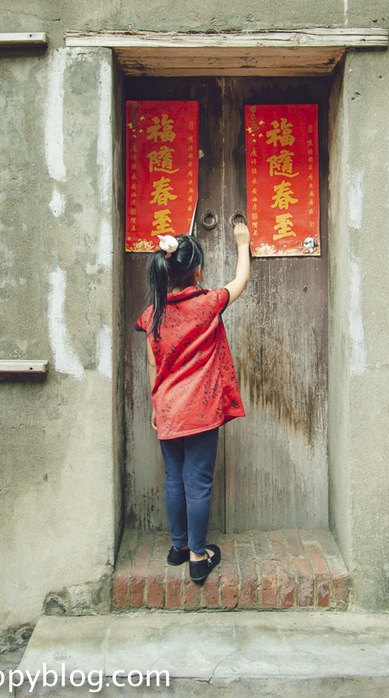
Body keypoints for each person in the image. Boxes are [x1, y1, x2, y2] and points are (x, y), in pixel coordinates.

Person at [135, 221, 251, 583]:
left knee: (174, 479)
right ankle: (199, 558)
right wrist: (242, 242)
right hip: (200, 410)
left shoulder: (153, 314)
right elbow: (241, 281)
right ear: (197, 270)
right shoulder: (207, 303)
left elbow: (152, 365)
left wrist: (156, 407)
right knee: (197, 482)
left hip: (168, 409)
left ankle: (179, 546)